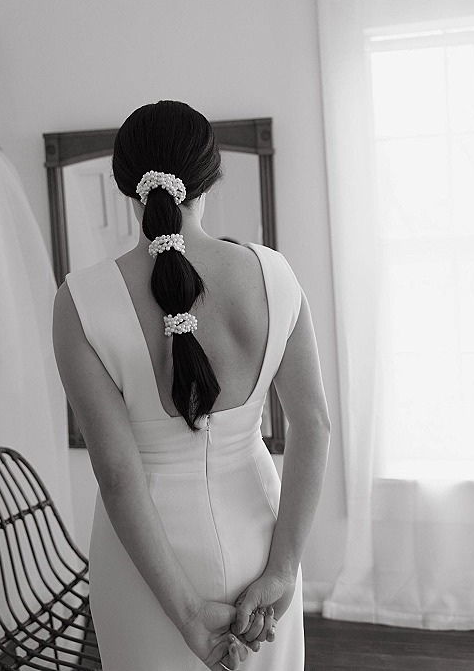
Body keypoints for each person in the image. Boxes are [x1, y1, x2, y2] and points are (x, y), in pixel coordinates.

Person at [52, 100, 330, 670]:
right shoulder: (275, 274)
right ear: (212, 178)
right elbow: (314, 426)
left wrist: (184, 614)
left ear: (127, 188)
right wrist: (283, 569)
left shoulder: (79, 301)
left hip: (145, 563)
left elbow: (118, 474)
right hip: (260, 535)